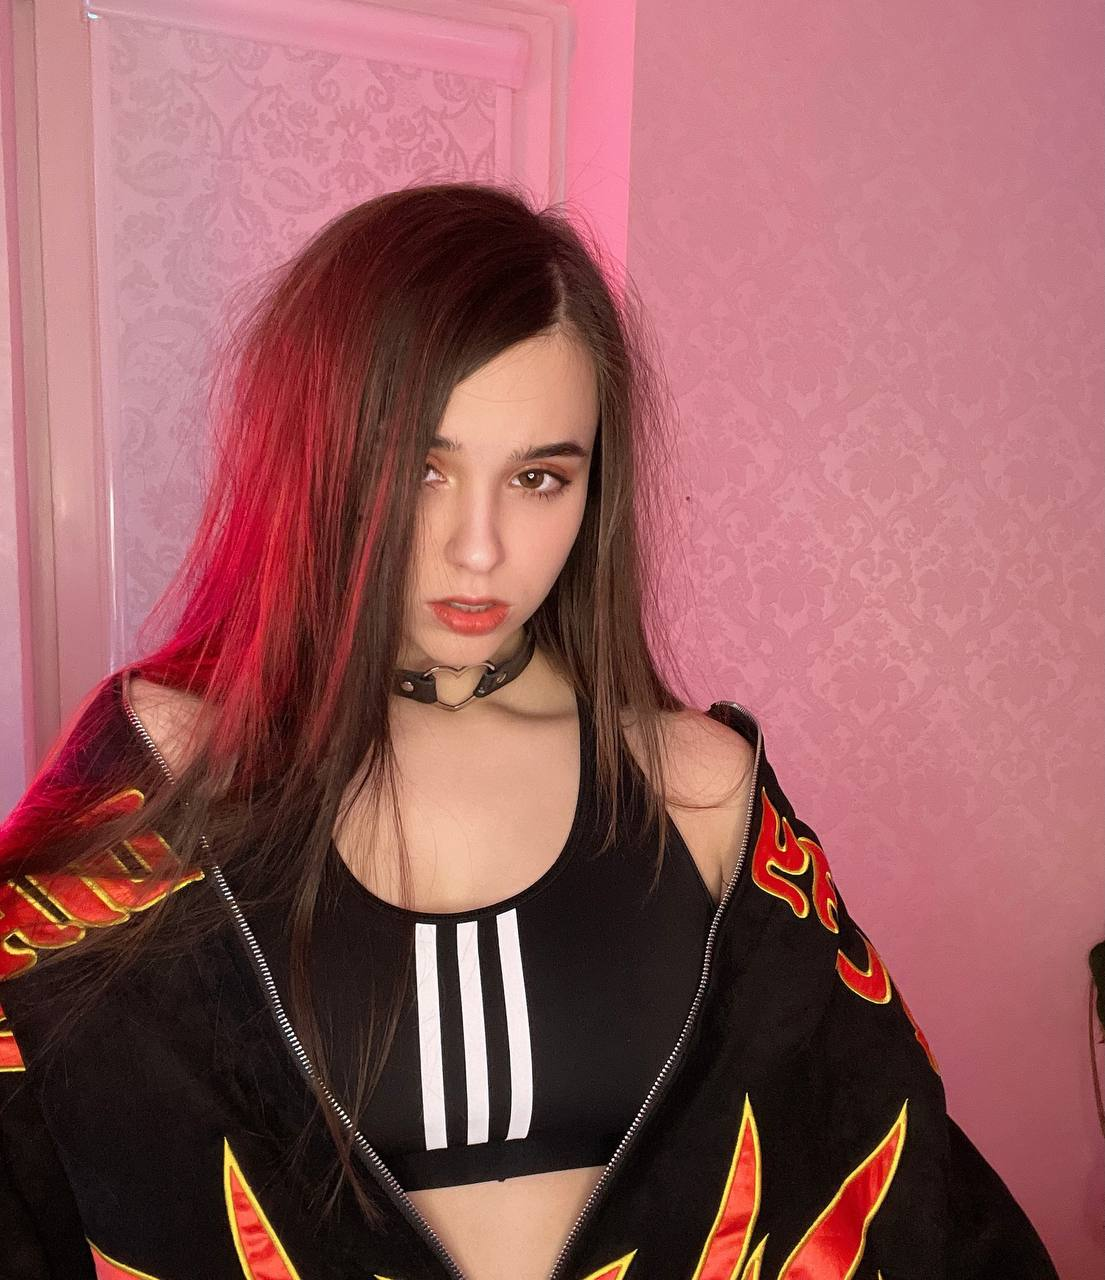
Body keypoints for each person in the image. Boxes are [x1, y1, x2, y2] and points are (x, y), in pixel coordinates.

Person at [0, 181, 1057, 1280]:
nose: (479, 548)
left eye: (540, 477)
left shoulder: (698, 788)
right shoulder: (166, 782)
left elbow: (900, 1176)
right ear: (316, 458)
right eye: (422, 468)